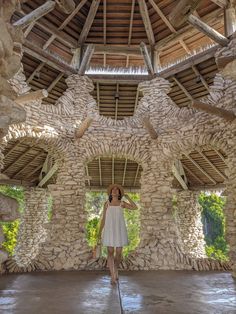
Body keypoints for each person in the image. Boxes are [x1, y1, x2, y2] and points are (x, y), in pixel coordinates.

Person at [97, 183, 138, 285]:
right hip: (109, 230)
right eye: (113, 190)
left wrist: (128, 197)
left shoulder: (122, 203)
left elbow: (135, 207)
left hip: (119, 230)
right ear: (111, 193)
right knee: (110, 252)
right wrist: (99, 232)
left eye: (117, 190)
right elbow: (104, 219)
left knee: (119, 253)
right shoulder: (106, 204)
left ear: (119, 193)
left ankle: (116, 269)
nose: (115, 190)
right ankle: (112, 276)